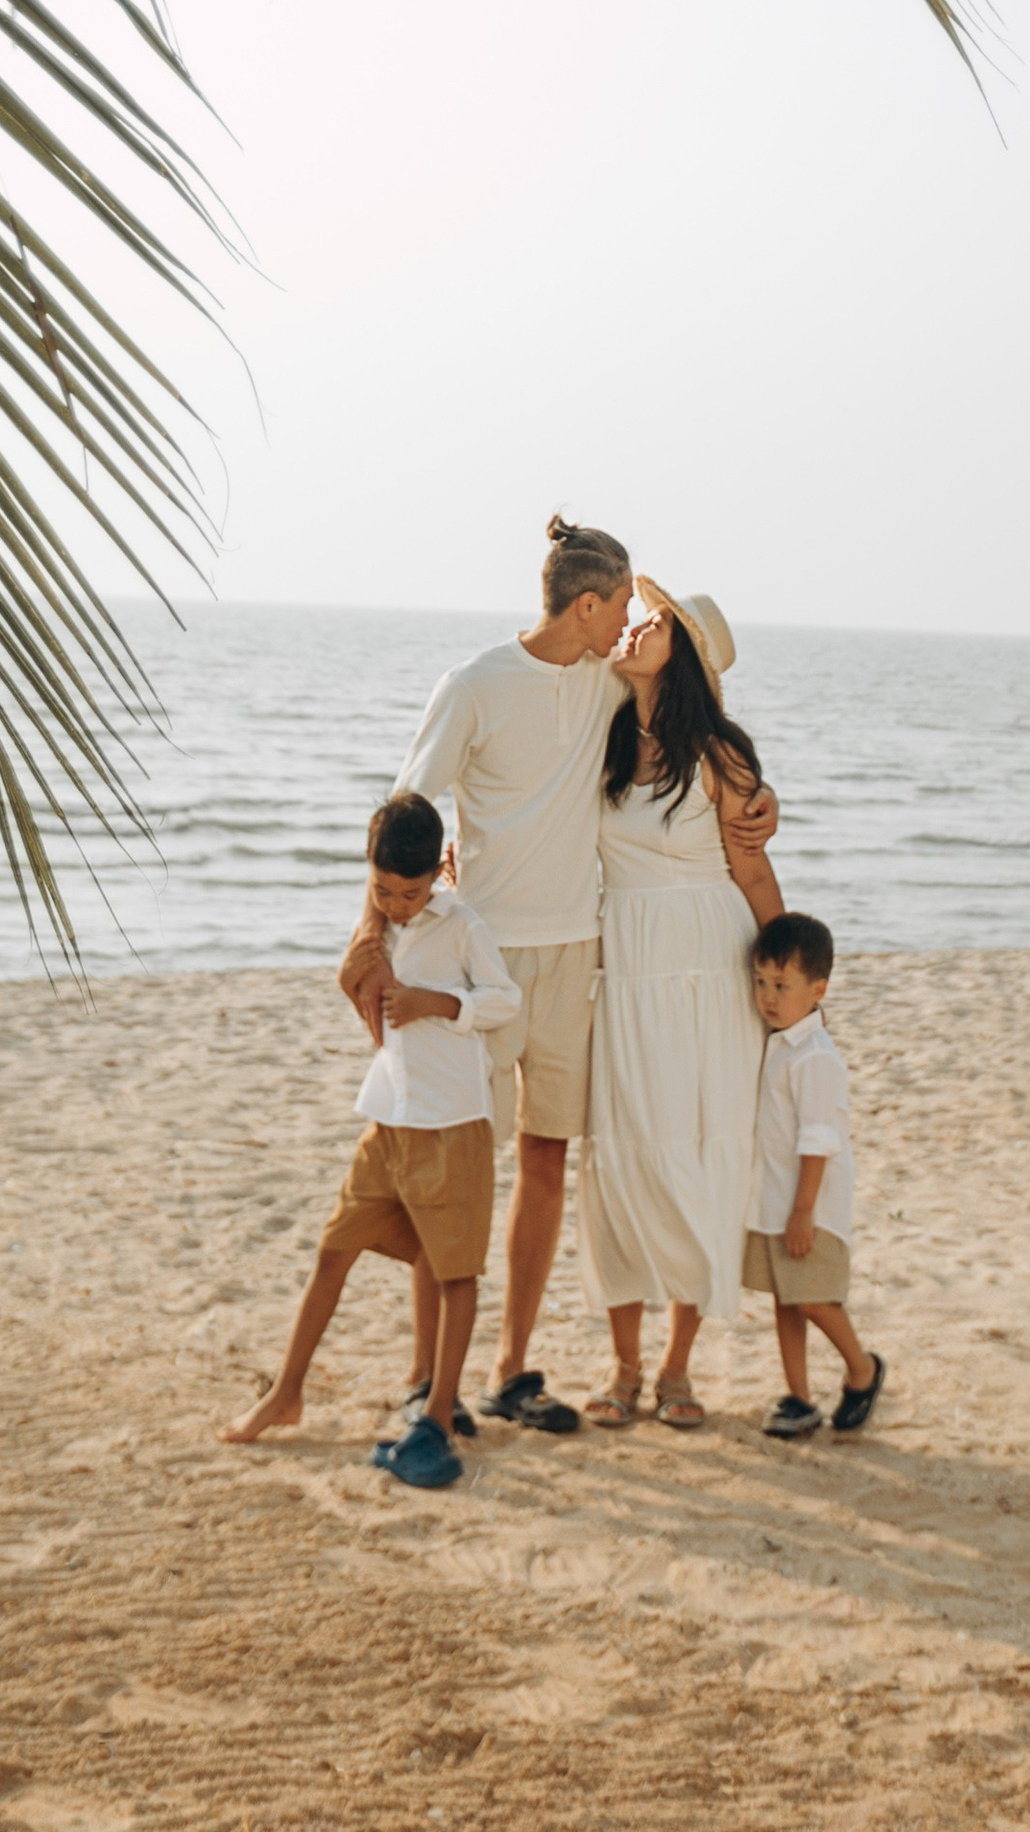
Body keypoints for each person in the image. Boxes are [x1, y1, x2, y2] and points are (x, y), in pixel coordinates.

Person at [341, 514, 776, 1434]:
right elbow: (405, 814)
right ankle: (429, 1376)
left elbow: (699, 737)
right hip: (485, 957)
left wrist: (762, 804)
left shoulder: (609, 690)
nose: (629, 625)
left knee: (547, 1162)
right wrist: (368, 934)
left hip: (581, 953)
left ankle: (510, 1369)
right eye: (621, 606)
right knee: (460, 1163)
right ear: (587, 604)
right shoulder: (473, 686)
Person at [225, 791, 516, 1489]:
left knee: (454, 1275)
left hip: (451, 1126)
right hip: (388, 1120)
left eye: (410, 894)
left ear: (436, 878)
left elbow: (506, 1000)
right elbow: (362, 991)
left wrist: (438, 1004)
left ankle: (441, 1411)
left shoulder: (461, 925)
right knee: (333, 1251)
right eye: (383, 890)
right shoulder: (376, 926)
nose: (396, 905)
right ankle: (285, 1391)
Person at [578, 580, 783, 1432]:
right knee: (620, 1152)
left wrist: (795, 997)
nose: (635, 627)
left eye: (655, 624)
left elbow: (754, 872)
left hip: (708, 962)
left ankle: (675, 1368)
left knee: (700, 1150)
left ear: (687, 655)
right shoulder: (602, 728)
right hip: (624, 961)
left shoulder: (722, 756)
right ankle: (623, 1365)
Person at [746, 909, 883, 1438]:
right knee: (787, 1296)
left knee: (811, 1296)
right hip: (777, 1198)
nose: (768, 997)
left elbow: (818, 1139)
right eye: (761, 982)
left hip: (811, 1203)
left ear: (818, 989)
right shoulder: (778, 1042)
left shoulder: (814, 1056)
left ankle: (863, 1368)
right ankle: (798, 1395)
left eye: (782, 985)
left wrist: (803, 1211)